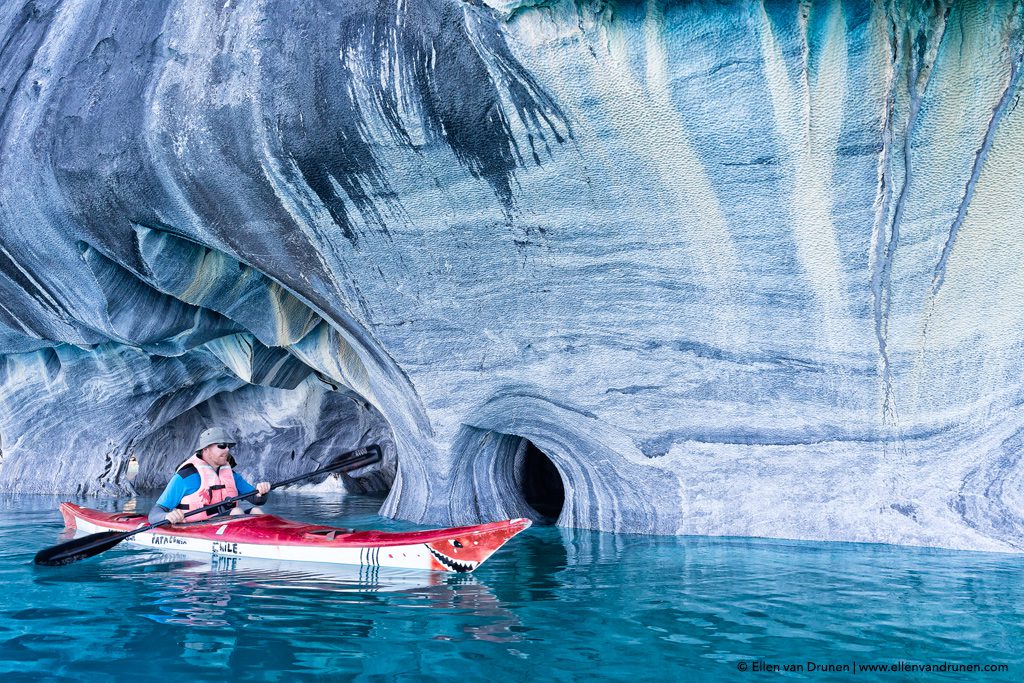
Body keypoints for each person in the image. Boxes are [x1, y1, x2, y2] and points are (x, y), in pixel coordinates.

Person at [148, 427, 271, 524]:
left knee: (256, 511)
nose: (227, 450)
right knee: (237, 511)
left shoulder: (231, 476)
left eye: (228, 446)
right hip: (196, 526)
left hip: (227, 523)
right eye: (222, 445)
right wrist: (167, 516)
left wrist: (262, 492)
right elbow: (155, 513)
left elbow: (257, 500)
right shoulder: (185, 477)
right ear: (206, 449)